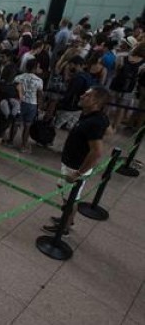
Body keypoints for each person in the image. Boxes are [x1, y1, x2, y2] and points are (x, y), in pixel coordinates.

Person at [41, 86, 111, 235]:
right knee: (70, 196)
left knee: (70, 198)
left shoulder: (95, 121)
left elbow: (97, 152)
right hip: (72, 163)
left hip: (75, 167)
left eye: (87, 95)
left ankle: (64, 228)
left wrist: (78, 173)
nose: (81, 96)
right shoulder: (94, 116)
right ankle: (67, 219)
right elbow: (110, 131)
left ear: (96, 101)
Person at [14, 58, 44, 153]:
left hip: (20, 102)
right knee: (27, 125)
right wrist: (40, 107)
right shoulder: (39, 80)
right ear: (35, 68)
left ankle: (10, 140)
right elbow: (39, 95)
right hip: (32, 104)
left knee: (16, 123)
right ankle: (23, 144)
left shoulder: (19, 77)